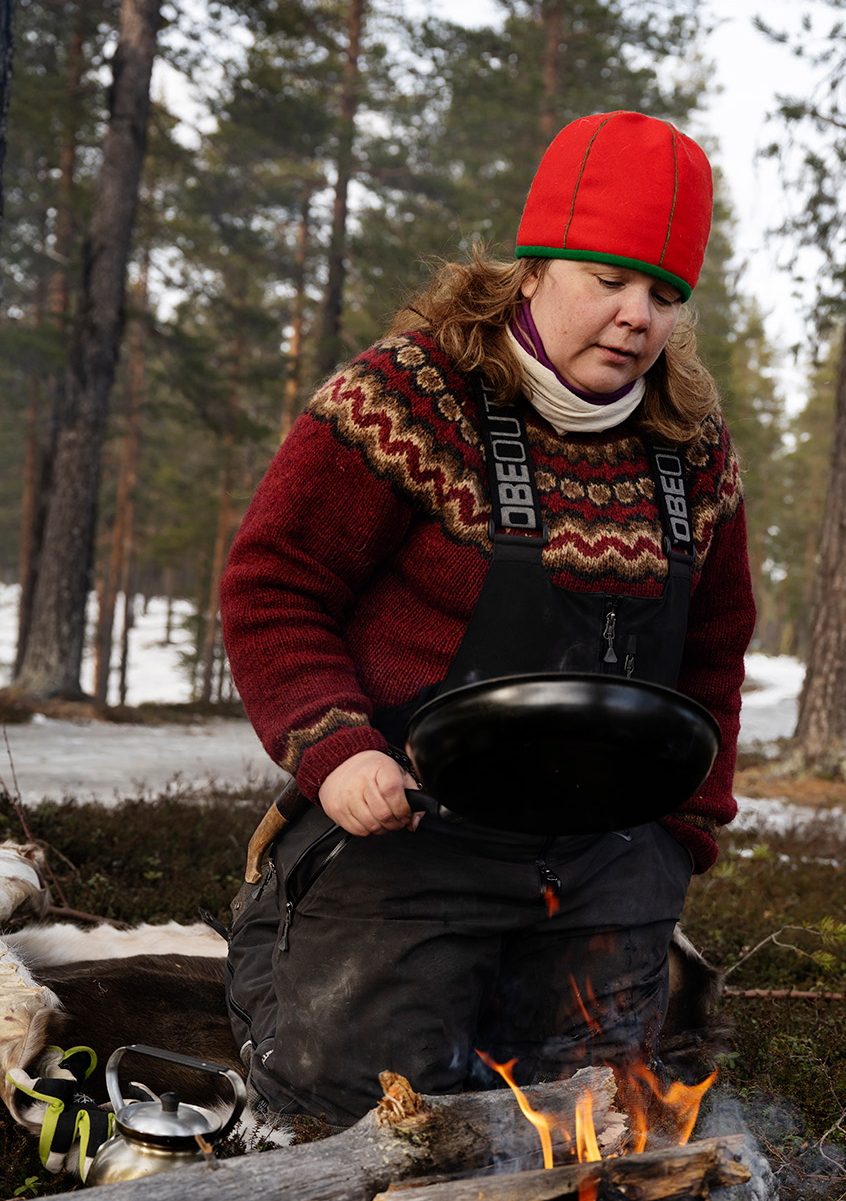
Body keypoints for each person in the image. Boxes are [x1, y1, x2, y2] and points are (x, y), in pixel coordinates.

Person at [220, 110, 756, 1126]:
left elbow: (713, 645)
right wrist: (336, 752)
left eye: (663, 293)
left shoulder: (689, 447)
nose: (637, 316)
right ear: (533, 267)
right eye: (608, 280)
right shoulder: (406, 398)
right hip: (412, 833)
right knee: (361, 1116)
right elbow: (272, 584)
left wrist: (682, 832)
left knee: (594, 1124)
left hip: (606, 859)